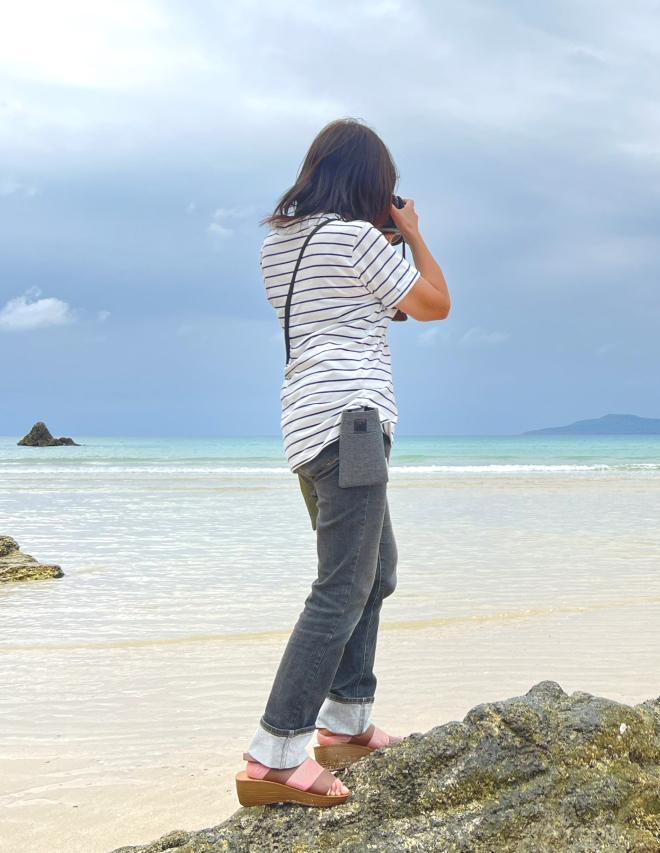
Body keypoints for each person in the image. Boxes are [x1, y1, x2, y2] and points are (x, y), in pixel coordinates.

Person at [235, 118, 451, 807]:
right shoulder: (360, 239)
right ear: (372, 183)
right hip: (354, 424)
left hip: (306, 427)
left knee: (374, 571)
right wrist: (412, 233)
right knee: (341, 586)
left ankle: (347, 720)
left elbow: (347, 310)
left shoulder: (279, 245)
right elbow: (434, 306)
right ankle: (275, 753)